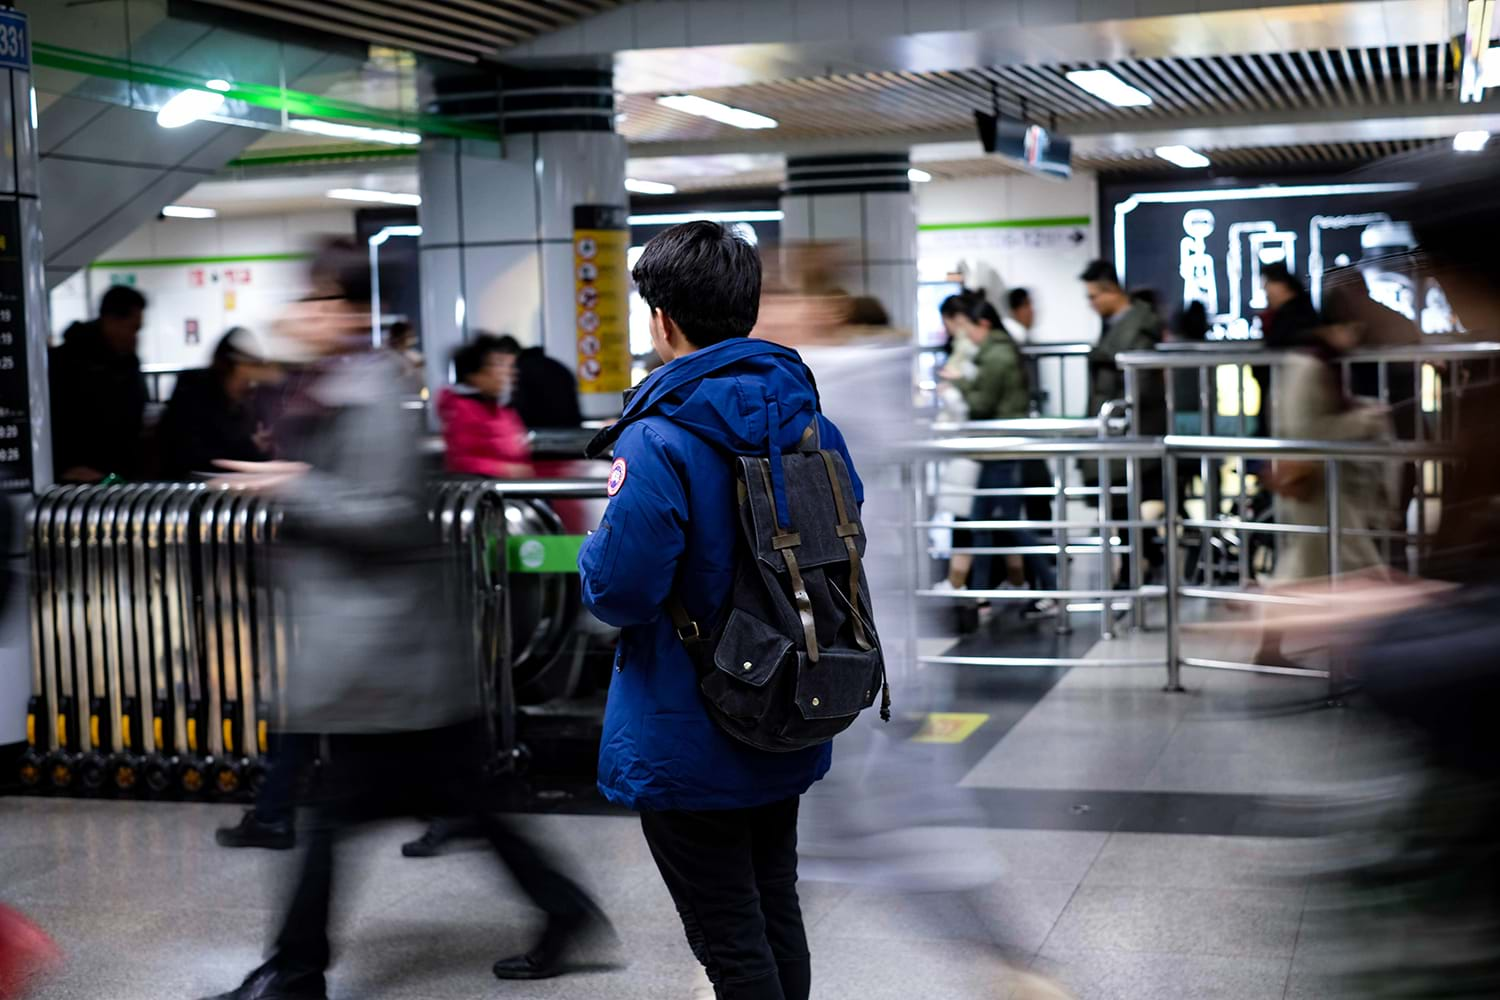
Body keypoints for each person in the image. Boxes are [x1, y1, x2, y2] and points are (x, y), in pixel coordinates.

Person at [197, 240, 608, 1000]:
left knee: (337, 811)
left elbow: (387, 515)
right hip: (376, 651)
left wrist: (296, 487)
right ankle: (565, 908)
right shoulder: (321, 390)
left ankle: (295, 970)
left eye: (322, 301)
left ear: (352, 314)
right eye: (304, 300)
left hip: (388, 651)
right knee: (455, 803)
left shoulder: (375, 391)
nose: (305, 315)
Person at [578, 221, 864, 1000]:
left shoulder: (660, 437)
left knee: (728, 937)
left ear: (662, 320)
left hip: (689, 722)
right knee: (773, 907)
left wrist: (588, 554)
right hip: (786, 700)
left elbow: (620, 590)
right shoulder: (811, 421)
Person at [1253, 318, 1390, 668]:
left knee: (1304, 568)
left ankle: (1273, 648)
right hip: (1318, 487)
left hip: (1316, 484)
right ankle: (1383, 658)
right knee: (1357, 569)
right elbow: (1312, 429)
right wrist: (1368, 419)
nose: (1354, 336)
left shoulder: (1308, 363)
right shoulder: (1311, 367)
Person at [936, 294, 1057, 617]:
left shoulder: (996, 356)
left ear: (983, 324)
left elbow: (982, 404)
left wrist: (958, 385)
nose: (965, 335)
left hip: (997, 448)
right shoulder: (999, 351)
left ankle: (1051, 585)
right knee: (985, 524)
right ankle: (981, 592)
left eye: (968, 327)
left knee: (1002, 523)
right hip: (995, 448)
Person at [49, 285, 148, 483]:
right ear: (111, 320)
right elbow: (58, 422)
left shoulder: (127, 363)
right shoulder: (66, 362)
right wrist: (67, 466)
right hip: (80, 478)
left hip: (120, 474)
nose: (135, 337)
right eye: (133, 328)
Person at [156, 328, 274, 480]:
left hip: (237, 485)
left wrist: (263, 447)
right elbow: (189, 451)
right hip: (192, 486)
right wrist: (252, 445)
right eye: (252, 363)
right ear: (233, 363)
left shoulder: (248, 399)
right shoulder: (194, 389)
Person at [437, 336, 531, 478]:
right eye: (495, 365)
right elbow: (461, 461)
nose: (505, 372)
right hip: (486, 495)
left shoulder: (500, 409)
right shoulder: (462, 411)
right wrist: (504, 470)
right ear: (475, 375)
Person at [510, 340, 583, 430]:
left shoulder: (522, 369)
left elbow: (521, 406)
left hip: (540, 431)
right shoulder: (557, 365)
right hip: (571, 430)